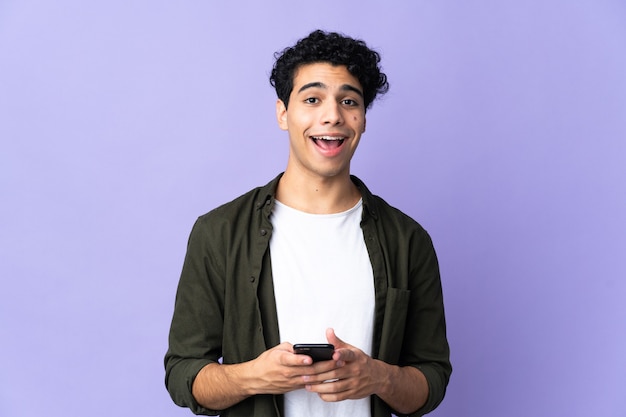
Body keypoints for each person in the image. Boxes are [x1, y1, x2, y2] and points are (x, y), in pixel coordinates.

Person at [164, 29, 451, 417]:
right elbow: (183, 373)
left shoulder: (408, 240)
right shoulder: (219, 232)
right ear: (283, 113)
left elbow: (431, 380)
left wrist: (379, 378)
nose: (332, 115)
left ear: (363, 119)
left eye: (349, 101)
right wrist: (253, 377)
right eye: (312, 99)